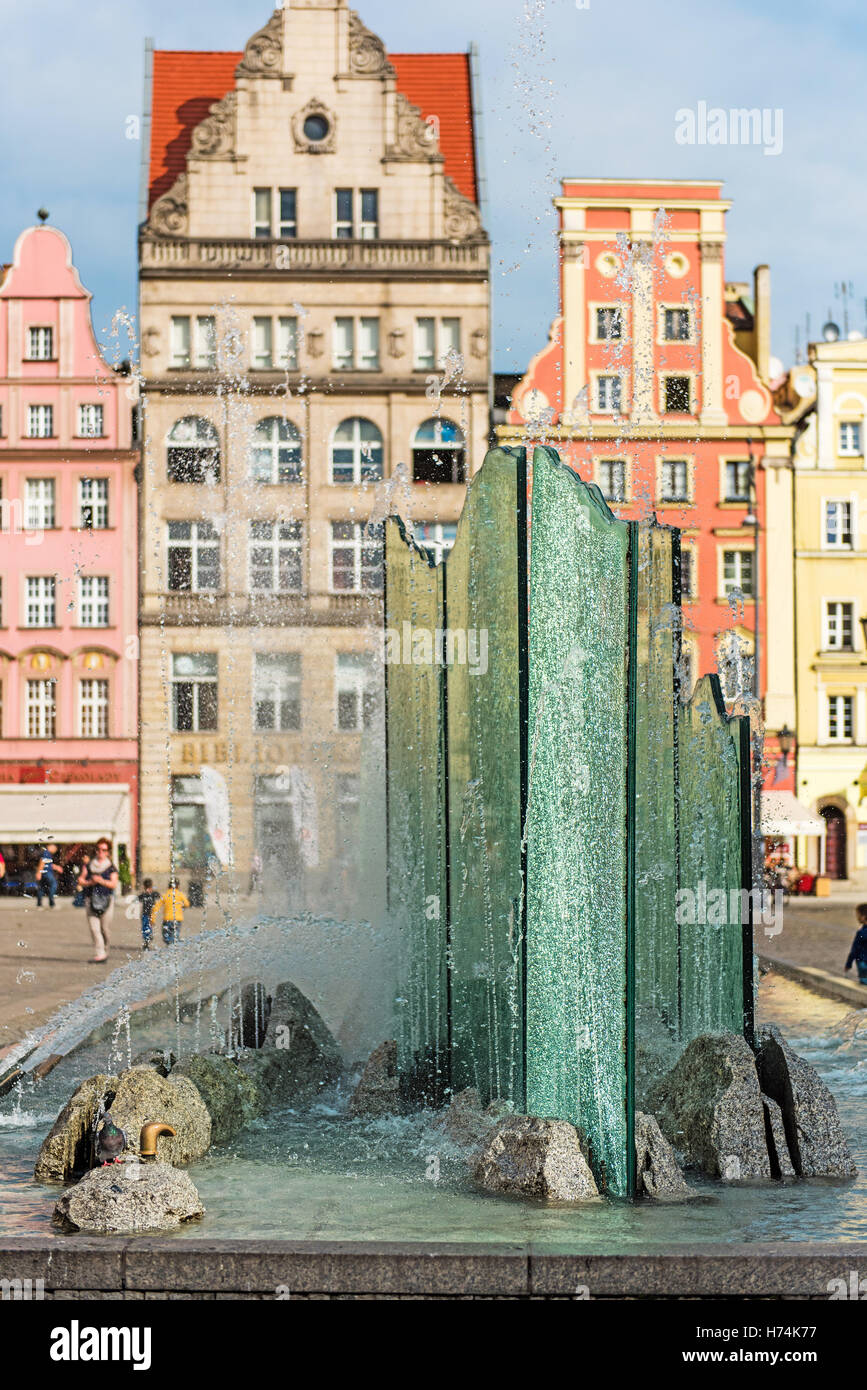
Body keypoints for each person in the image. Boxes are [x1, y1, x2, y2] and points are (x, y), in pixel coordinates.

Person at [77, 838, 119, 964]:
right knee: (94, 928)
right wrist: (90, 882)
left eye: (104, 850)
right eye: (98, 849)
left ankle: (106, 949)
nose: (100, 852)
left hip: (106, 900)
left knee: (104, 928)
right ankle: (100, 953)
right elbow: (80, 880)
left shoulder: (111, 867)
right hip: (90, 899)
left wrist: (101, 881)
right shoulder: (89, 865)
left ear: (108, 852)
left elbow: (114, 884)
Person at [155, 878, 190, 946]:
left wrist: (153, 917)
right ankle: (174, 947)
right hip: (178, 918)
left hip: (167, 918)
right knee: (175, 934)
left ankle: (169, 945)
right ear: (178, 886)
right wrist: (181, 908)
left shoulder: (165, 894)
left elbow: (157, 906)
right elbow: (187, 904)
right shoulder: (180, 894)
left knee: (166, 935)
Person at [844, 903, 867, 985]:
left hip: (862, 963)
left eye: (857, 915)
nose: (856, 917)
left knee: (864, 981)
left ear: (863, 917)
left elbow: (854, 950)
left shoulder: (861, 933)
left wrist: (848, 964)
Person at [138, 878, 160, 952]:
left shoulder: (144, 894)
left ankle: (147, 940)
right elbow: (159, 896)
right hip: (151, 914)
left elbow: (138, 898)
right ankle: (148, 938)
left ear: (144, 886)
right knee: (148, 926)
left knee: (145, 927)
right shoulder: (153, 893)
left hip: (146, 914)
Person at [36, 843, 59, 908]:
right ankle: (51, 902)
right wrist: (39, 872)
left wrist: (56, 867)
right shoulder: (47, 852)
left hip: (44, 872)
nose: (55, 851)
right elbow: (42, 862)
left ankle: (39, 904)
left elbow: (48, 864)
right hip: (47, 873)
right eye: (55, 849)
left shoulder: (46, 853)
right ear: (51, 846)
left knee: (42, 887)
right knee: (54, 885)